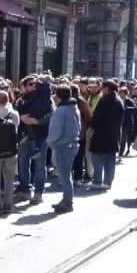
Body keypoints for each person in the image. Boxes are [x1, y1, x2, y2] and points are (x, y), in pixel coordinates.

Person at [16, 74, 54, 202]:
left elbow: (51, 115)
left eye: (35, 84)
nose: (33, 87)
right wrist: (21, 117)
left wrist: (37, 121)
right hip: (24, 136)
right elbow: (14, 112)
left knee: (40, 165)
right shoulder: (21, 99)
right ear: (24, 86)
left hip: (41, 136)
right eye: (30, 84)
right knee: (23, 164)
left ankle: (38, 193)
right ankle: (25, 190)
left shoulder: (47, 99)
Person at [48, 85, 81, 214]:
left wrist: (50, 141)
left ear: (59, 96)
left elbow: (56, 130)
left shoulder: (61, 110)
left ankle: (67, 202)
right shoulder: (74, 107)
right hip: (72, 143)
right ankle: (66, 200)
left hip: (63, 145)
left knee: (65, 176)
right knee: (67, 174)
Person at [89, 79, 125, 189]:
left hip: (101, 134)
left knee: (97, 159)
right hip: (114, 134)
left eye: (103, 88)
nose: (102, 90)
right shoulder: (119, 101)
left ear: (107, 88)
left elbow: (96, 118)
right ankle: (107, 182)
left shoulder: (104, 101)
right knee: (110, 160)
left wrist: (92, 124)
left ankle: (97, 181)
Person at [119, 85, 137, 158]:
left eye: (123, 93)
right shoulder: (118, 100)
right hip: (120, 122)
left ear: (126, 93)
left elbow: (136, 108)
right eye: (121, 93)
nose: (122, 95)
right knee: (122, 138)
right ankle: (121, 152)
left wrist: (127, 108)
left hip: (127, 121)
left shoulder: (129, 101)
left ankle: (126, 149)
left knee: (127, 137)